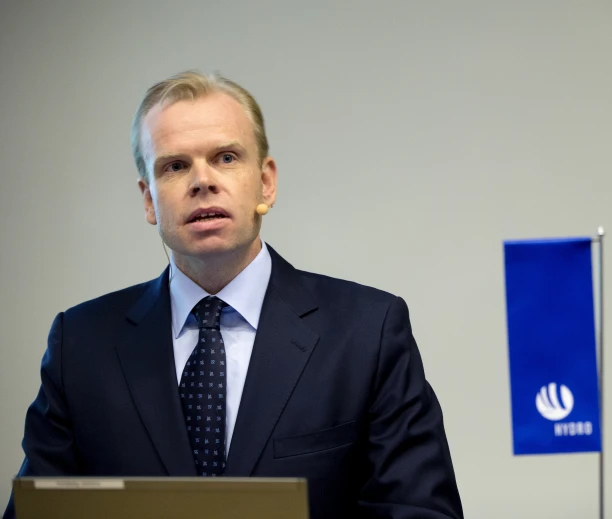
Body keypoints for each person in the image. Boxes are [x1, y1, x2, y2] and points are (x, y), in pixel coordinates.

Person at [3, 71, 463, 519]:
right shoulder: (81, 345)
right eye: (175, 165)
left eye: (225, 157)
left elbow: (419, 509)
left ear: (266, 182)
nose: (202, 180)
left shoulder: (367, 331)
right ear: (149, 200)